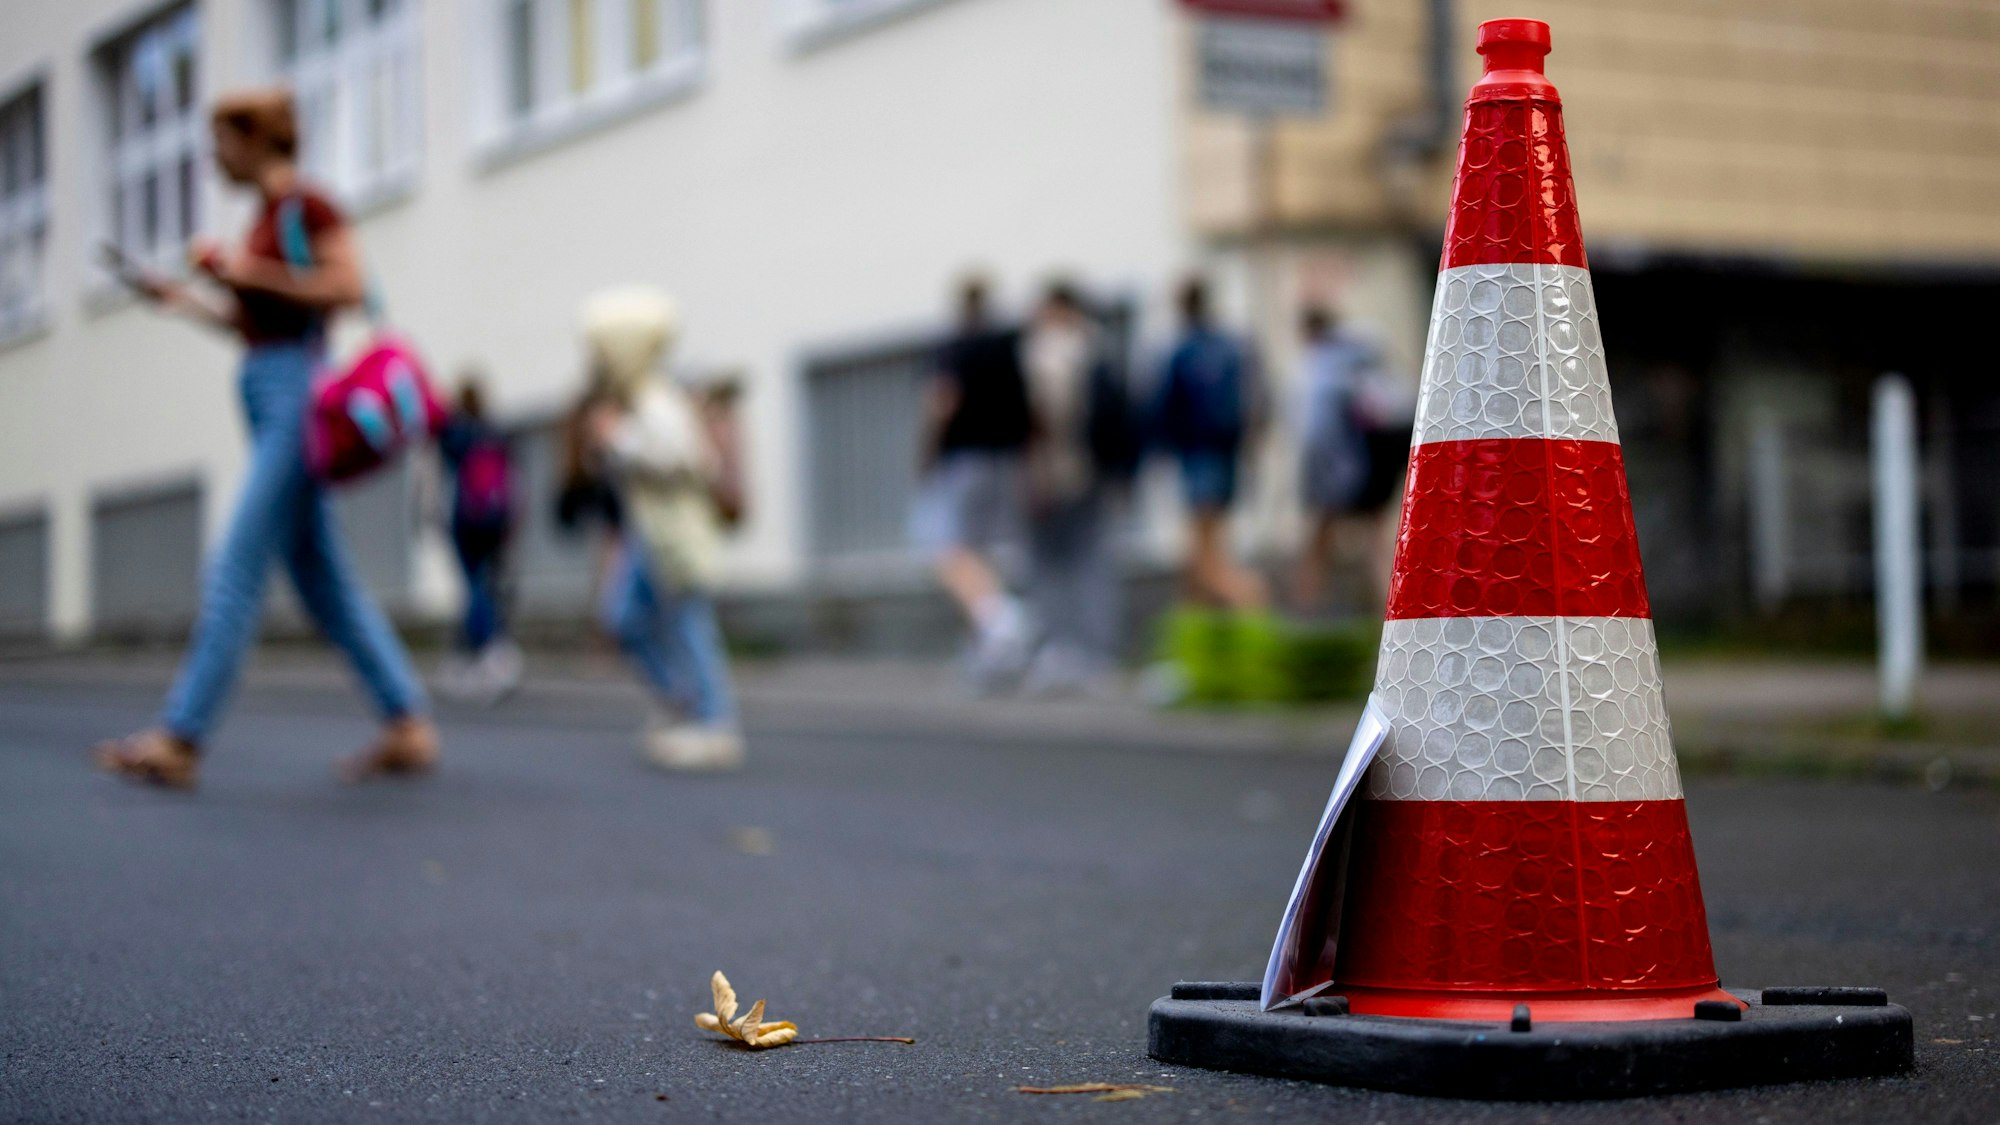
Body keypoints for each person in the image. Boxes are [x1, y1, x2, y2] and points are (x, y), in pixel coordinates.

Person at [93, 88, 435, 789]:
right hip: (271, 386)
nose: (215, 157)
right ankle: (407, 720)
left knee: (235, 564)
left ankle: (182, 736)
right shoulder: (267, 222)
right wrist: (185, 300)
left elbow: (346, 285)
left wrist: (242, 272)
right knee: (322, 578)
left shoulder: (305, 207)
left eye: (222, 141)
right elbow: (256, 323)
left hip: (295, 400)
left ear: (255, 140)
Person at [579, 286, 742, 771]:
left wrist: (620, 441)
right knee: (624, 618)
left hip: (673, 537)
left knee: (690, 625)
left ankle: (715, 725)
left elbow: (690, 460)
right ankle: (684, 704)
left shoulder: (657, 403)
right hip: (647, 536)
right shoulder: (637, 402)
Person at [912, 276, 1034, 689]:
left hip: (963, 459)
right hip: (1004, 461)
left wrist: (925, 453)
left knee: (949, 551)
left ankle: (1001, 619)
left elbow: (942, 401)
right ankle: (989, 652)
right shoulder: (1007, 348)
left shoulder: (955, 348)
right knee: (982, 554)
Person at [1018, 280, 1135, 694]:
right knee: (1089, 563)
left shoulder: (1045, 352)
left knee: (1052, 566)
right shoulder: (1096, 350)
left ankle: (1061, 650)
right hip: (1090, 475)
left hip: (1053, 476)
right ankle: (1093, 652)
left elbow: (1042, 418)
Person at [1153, 275, 1268, 611]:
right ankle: (1204, 620)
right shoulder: (1230, 346)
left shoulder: (1184, 351)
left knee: (1204, 550)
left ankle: (1251, 599)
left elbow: (1164, 408)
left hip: (1197, 454)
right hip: (1226, 453)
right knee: (1207, 543)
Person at [1291, 306, 1413, 612]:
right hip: (1382, 458)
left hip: (1345, 465)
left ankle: (1308, 612)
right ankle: (1393, 610)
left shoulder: (1322, 365)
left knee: (1319, 539)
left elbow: (1318, 432)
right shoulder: (1363, 351)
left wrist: (1320, 480)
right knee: (1377, 540)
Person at [437, 373, 522, 703]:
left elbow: (443, 470)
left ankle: (492, 651)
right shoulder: (496, 432)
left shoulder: (456, 434)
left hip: (467, 517)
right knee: (488, 585)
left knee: (474, 586)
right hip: (496, 518)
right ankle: (482, 649)